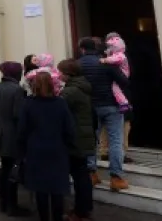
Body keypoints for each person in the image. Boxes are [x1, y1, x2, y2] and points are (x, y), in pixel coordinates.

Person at [18, 72, 77, 221]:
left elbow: (22, 131)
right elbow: (69, 129)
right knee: (57, 190)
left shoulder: (28, 104)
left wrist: (23, 151)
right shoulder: (60, 103)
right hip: (57, 150)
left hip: (36, 151)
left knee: (41, 190)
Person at [78, 37, 130, 191]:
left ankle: (91, 174)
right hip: (111, 105)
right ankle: (116, 178)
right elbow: (124, 81)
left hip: (90, 107)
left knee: (91, 140)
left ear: (82, 49)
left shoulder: (78, 65)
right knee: (115, 140)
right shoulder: (107, 62)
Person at [0, 61, 31, 217]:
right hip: (14, 136)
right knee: (13, 172)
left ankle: (4, 202)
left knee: (5, 170)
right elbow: (18, 116)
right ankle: (12, 206)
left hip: (1, 135)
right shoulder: (17, 90)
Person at [58, 59, 95, 221]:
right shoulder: (83, 86)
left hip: (75, 138)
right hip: (84, 135)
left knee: (78, 176)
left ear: (68, 73)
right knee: (82, 175)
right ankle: (84, 209)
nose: (58, 75)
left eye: (60, 72)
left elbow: (58, 110)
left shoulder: (70, 92)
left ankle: (79, 211)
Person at [99, 32, 133, 163]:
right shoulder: (114, 60)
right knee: (123, 125)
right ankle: (121, 153)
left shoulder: (106, 58)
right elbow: (125, 80)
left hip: (105, 98)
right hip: (118, 97)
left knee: (105, 126)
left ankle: (104, 151)